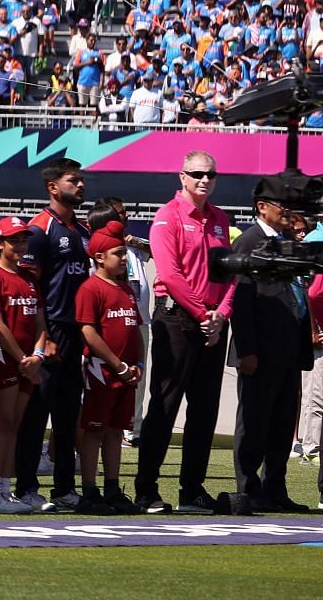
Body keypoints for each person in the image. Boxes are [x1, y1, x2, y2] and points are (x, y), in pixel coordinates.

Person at [134, 151, 233, 516]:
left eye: (210, 174)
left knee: (205, 410)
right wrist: (203, 313)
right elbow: (171, 275)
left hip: (211, 323)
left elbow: (230, 274)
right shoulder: (167, 217)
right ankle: (146, 489)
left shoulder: (221, 219)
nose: (204, 180)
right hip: (176, 320)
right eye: (197, 174)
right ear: (182, 177)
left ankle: (192, 489)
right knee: (164, 405)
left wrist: (220, 315)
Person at [227, 170, 317, 515]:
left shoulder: (286, 243)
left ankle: (275, 487)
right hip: (260, 352)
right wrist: (247, 349)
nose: (288, 210)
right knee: (254, 421)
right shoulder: (249, 243)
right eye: (282, 204)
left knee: (282, 423)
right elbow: (242, 301)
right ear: (262, 207)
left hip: (289, 349)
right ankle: (248, 490)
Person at [16, 160, 91, 512]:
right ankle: (26, 489)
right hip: (49, 331)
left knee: (67, 416)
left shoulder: (83, 230)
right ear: (52, 187)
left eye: (80, 180)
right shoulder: (39, 229)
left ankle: (64, 489)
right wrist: (42, 336)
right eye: (73, 180)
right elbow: (29, 287)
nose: (80, 185)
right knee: (35, 414)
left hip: (76, 332)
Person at [0, 216, 47, 514]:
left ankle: (4, 489)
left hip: (26, 361)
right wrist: (22, 359)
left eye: (23, 239)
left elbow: (41, 321)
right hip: (1, 357)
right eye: (13, 240)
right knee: (2, 422)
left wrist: (38, 356)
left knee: (13, 425)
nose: (20, 244)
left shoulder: (29, 277)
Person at [75, 222, 144, 515]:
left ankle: (113, 489)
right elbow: (89, 332)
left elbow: (135, 329)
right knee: (94, 431)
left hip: (125, 374)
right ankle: (90, 490)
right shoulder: (90, 288)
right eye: (118, 253)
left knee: (116, 432)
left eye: (124, 252)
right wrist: (117, 365)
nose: (124, 258)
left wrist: (138, 364)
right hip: (101, 372)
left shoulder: (126, 289)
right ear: (100, 257)